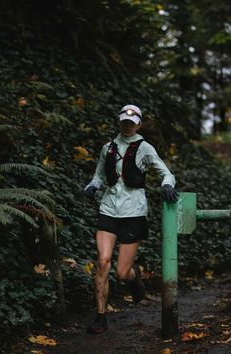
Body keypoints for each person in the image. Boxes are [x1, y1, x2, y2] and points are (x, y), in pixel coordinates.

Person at [84, 104, 178, 334]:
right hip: (108, 209)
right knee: (103, 261)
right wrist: (92, 186)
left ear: (139, 123)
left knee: (121, 272)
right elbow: (98, 176)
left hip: (133, 213)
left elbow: (165, 172)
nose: (128, 125)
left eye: (132, 121)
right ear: (119, 122)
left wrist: (166, 184)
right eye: (124, 121)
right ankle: (100, 316)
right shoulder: (108, 148)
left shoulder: (145, 148)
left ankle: (134, 279)